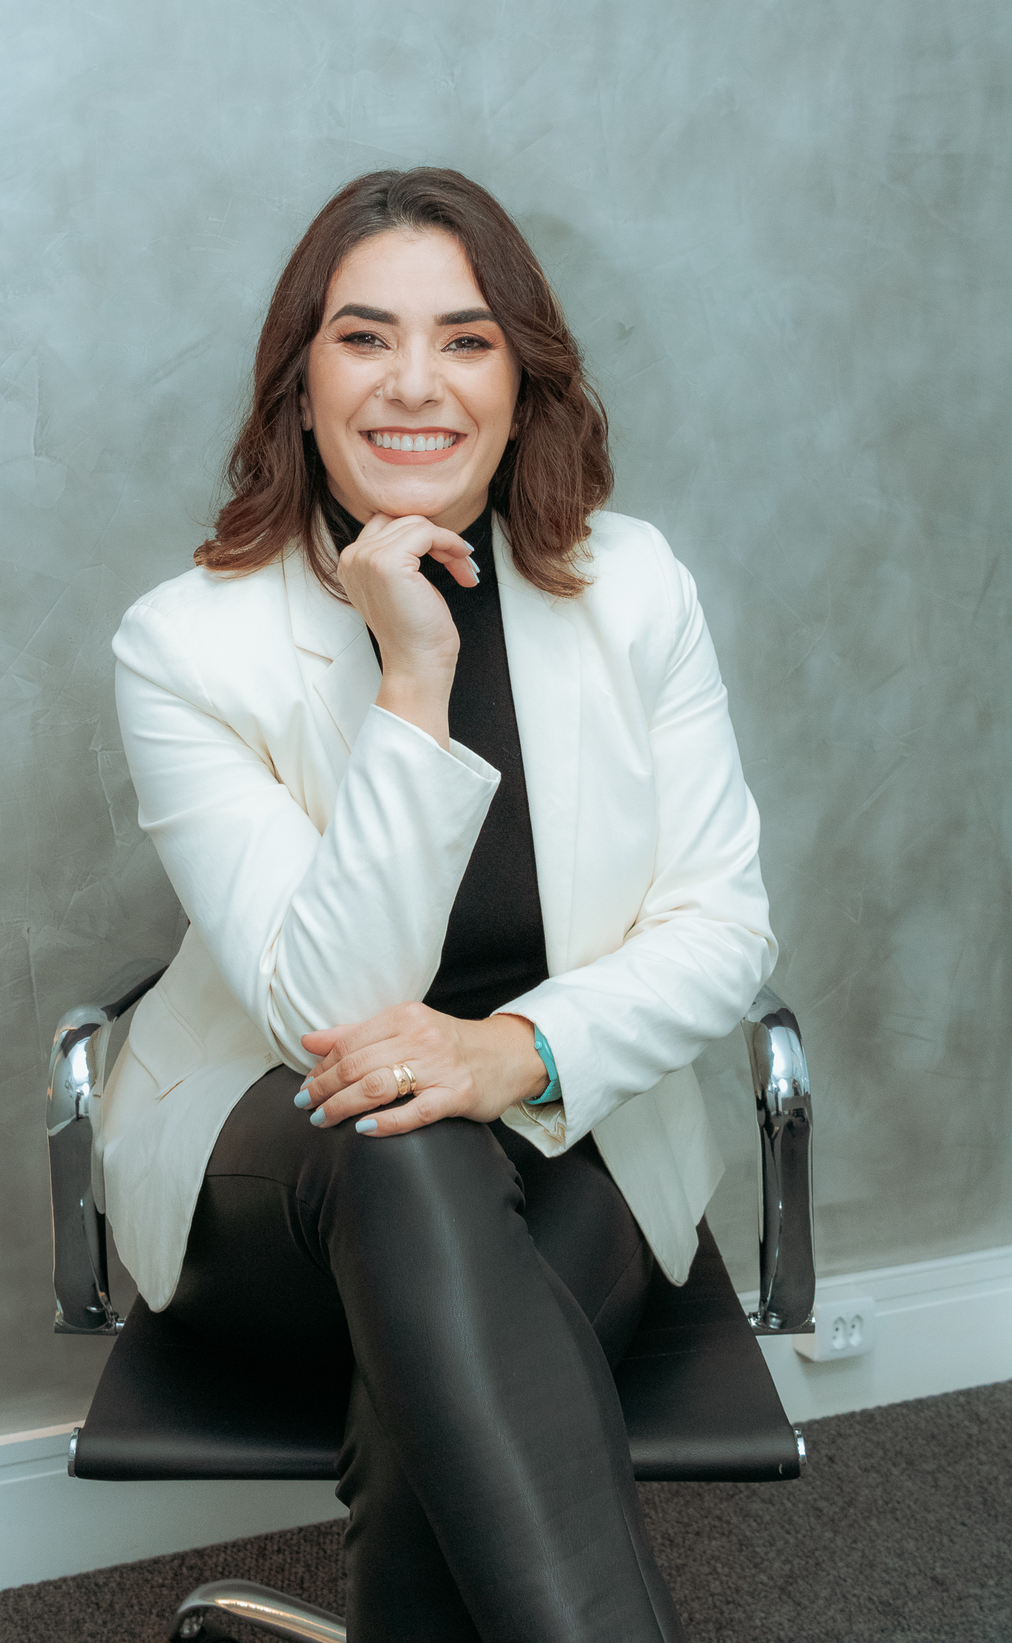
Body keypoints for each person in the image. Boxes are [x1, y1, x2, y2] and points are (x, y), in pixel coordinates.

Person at [96, 168, 776, 1642]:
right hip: (282, 1159)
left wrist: (508, 1053)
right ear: (301, 385)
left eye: (466, 340)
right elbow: (333, 1016)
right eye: (365, 338)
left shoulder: (634, 589)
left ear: (522, 386)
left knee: (446, 1420)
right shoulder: (187, 645)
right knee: (393, 1140)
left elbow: (725, 930)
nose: (416, 383)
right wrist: (415, 674)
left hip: (573, 1125)